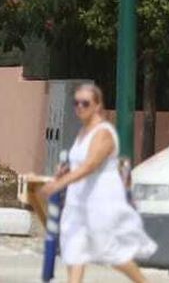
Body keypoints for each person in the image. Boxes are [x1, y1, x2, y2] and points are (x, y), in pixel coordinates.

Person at [41, 82, 157, 282]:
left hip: (100, 201)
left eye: (85, 103)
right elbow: (79, 163)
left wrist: (59, 184)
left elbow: (91, 165)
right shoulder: (83, 131)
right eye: (76, 103)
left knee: (111, 252)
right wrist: (65, 170)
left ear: (97, 105)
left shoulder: (103, 132)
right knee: (73, 250)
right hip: (78, 200)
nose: (79, 107)